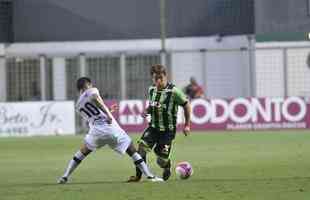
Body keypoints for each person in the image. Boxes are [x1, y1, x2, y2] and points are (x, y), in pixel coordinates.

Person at [57, 77, 163, 184]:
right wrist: (108, 114)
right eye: (90, 85)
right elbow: (95, 98)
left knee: (82, 152)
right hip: (110, 128)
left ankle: (65, 176)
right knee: (131, 150)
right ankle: (150, 176)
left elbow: (94, 115)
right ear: (87, 84)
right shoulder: (92, 91)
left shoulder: (78, 105)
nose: (92, 86)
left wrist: (109, 110)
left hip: (96, 132)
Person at [127, 64, 191, 182]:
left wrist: (187, 125)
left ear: (165, 76)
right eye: (156, 78)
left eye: (161, 78)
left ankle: (167, 166)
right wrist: (146, 111)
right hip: (153, 128)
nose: (159, 81)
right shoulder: (151, 90)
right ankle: (138, 176)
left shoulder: (174, 91)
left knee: (160, 160)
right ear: (152, 78)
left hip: (168, 131)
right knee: (141, 150)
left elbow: (186, 105)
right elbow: (152, 105)